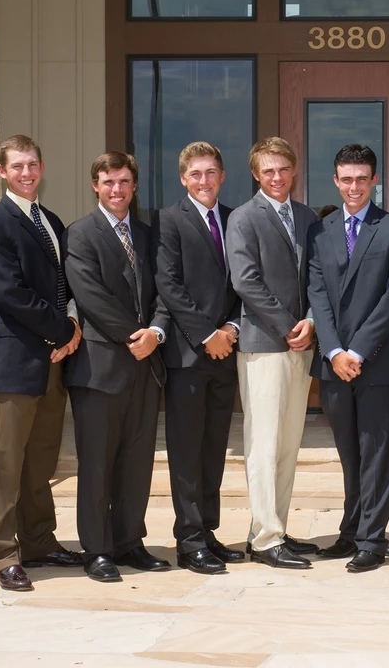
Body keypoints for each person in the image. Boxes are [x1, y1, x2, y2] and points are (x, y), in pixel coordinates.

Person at [0, 135, 84, 592]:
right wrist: (63, 331)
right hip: (17, 359)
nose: (26, 173)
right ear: (2, 171)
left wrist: (73, 324)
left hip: (55, 360)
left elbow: (66, 283)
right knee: (4, 462)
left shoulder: (52, 221)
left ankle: (39, 541)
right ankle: (2, 554)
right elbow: (9, 294)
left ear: (43, 167)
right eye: (17, 166)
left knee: (41, 459)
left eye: (33, 164)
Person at [307, 143, 389, 573]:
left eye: (361, 178)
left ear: (375, 181)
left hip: (376, 363)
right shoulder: (321, 231)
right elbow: (318, 294)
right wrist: (333, 351)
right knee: (349, 453)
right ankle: (351, 530)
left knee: (377, 453)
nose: (353, 186)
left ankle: (373, 538)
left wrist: (356, 351)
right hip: (334, 366)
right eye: (345, 179)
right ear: (335, 181)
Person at [63, 151, 169, 582]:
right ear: (95, 185)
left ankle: (129, 541)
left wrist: (157, 332)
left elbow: (166, 289)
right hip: (100, 367)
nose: (117, 189)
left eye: (124, 182)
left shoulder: (148, 235)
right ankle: (98, 549)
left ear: (134, 185)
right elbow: (90, 297)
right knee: (97, 463)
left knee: (137, 460)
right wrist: (135, 336)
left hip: (146, 367)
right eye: (108, 182)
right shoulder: (80, 234)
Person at [226, 137, 320, 569]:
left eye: (283, 169)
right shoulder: (244, 219)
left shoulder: (305, 216)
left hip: (302, 345)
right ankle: (265, 540)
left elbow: (320, 278)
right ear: (255, 174)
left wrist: (312, 324)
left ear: (293, 169)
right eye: (268, 171)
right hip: (265, 346)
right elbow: (245, 282)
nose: (277, 177)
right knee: (263, 445)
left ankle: (273, 527)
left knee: (287, 444)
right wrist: (289, 327)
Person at [154, 142, 245, 575]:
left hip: (225, 353)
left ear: (222, 176)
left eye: (211, 172)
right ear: (183, 178)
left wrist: (229, 329)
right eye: (196, 174)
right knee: (187, 453)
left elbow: (242, 282)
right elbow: (169, 285)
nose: (204, 181)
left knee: (213, 451)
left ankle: (208, 531)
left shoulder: (235, 219)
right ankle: (188, 542)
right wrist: (206, 333)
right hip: (188, 356)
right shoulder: (169, 220)